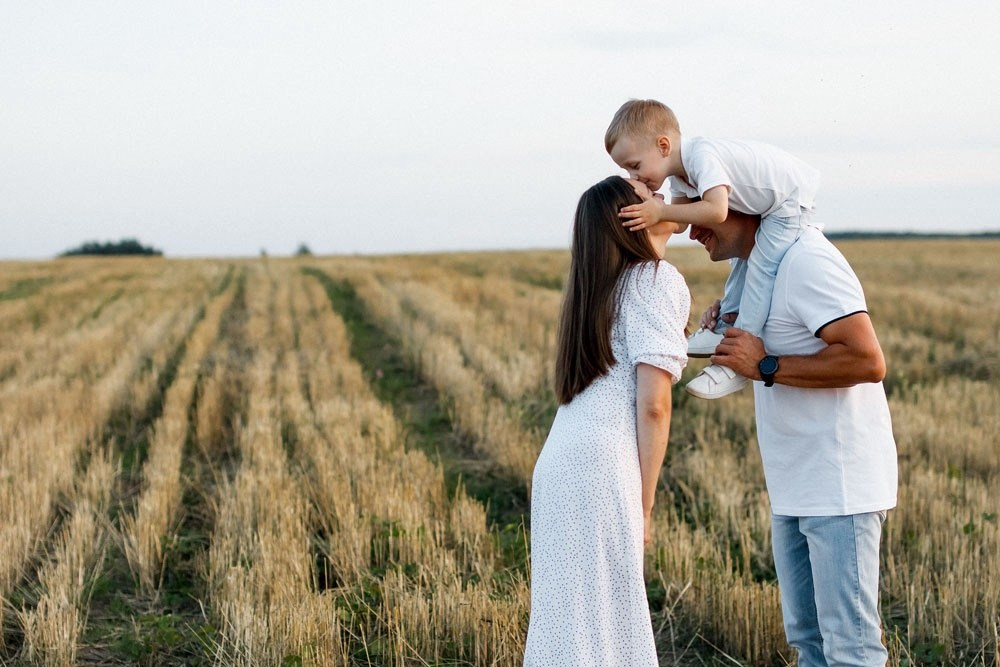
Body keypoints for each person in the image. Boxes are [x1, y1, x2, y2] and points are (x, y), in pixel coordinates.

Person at [689, 210, 897, 667]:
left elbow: (867, 361)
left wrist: (765, 365)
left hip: (838, 485)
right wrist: (726, 330)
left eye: (704, 212)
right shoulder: (754, 272)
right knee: (809, 642)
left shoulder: (807, 262)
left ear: (742, 204)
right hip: (792, 480)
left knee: (851, 649)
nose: (691, 227)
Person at [523, 175, 690, 665]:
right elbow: (654, 405)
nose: (664, 200)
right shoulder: (656, 279)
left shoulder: (597, 291)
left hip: (559, 466)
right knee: (613, 624)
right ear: (632, 220)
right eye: (650, 197)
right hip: (603, 469)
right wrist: (645, 503)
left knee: (566, 625)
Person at [605, 98, 821, 400]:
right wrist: (653, 211)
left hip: (789, 201)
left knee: (760, 269)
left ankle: (735, 363)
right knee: (741, 267)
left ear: (663, 145)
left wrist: (660, 213)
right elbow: (679, 223)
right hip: (774, 205)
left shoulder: (701, 156)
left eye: (635, 166)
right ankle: (723, 328)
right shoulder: (680, 176)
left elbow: (717, 211)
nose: (634, 177)